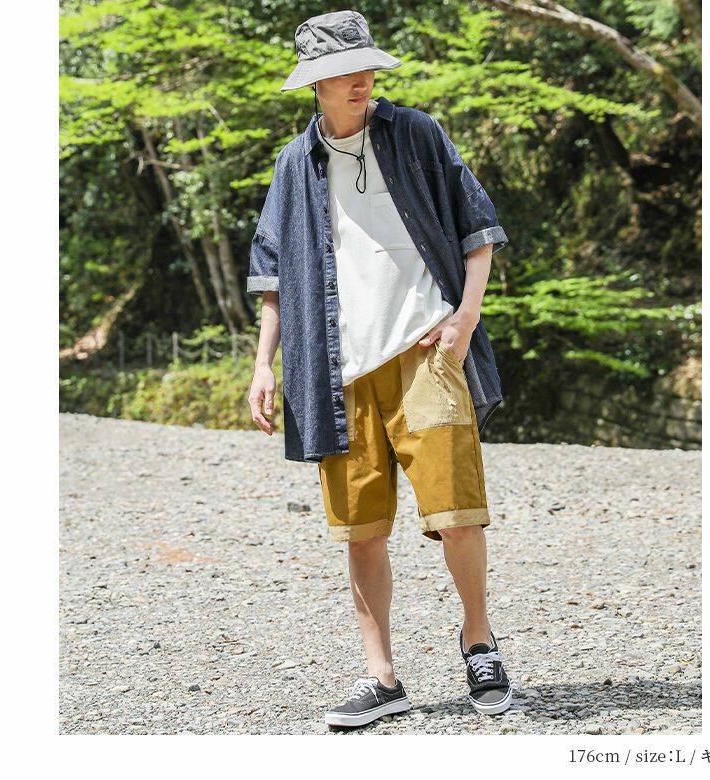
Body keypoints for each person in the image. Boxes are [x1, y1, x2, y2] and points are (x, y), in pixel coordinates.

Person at [247, 10, 512, 728]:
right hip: (336, 370)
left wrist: (464, 317)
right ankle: (381, 676)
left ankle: (480, 642)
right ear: (316, 84)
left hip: (426, 353)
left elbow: (478, 229)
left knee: (457, 514)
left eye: (365, 66)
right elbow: (273, 276)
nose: (360, 79)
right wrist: (263, 364)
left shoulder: (416, 134)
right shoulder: (294, 165)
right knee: (360, 531)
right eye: (343, 72)